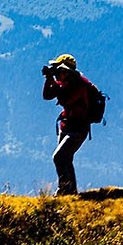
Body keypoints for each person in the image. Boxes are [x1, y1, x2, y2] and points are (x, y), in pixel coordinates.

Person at [41, 53, 93, 195]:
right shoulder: (65, 83)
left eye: (59, 71)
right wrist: (49, 79)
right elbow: (47, 95)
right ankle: (72, 192)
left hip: (78, 129)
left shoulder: (81, 85)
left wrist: (53, 81)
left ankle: (64, 190)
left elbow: (66, 100)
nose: (57, 73)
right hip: (67, 126)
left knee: (59, 157)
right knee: (66, 159)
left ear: (66, 72)